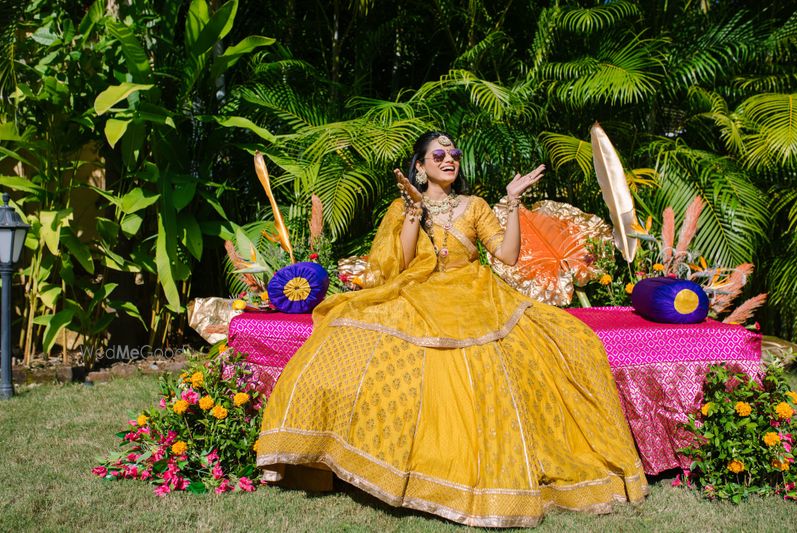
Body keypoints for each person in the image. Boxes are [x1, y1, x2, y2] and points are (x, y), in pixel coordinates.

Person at [255, 131, 648, 527]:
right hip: (420, 292)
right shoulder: (405, 205)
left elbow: (508, 255)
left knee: (568, 343)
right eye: (438, 155)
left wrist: (512, 202)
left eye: (453, 154)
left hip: (475, 296)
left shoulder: (474, 205)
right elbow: (405, 261)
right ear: (421, 166)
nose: (449, 160)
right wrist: (412, 211)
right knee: (344, 335)